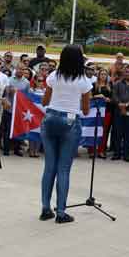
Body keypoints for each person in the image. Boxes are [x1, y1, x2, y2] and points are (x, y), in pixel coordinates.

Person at [38, 44, 92, 224]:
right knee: (63, 169)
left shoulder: (54, 76)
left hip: (51, 117)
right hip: (70, 122)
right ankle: (61, 212)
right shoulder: (84, 81)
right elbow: (85, 110)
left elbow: (45, 101)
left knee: (49, 167)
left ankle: (45, 209)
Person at [3, 63, 30, 157]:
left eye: (23, 69)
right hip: (9, 109)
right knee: (7, 129)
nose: (20, 71)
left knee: (18, 129)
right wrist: (10, 90)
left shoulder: (26, 82)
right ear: (16, 69)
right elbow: (5, 93)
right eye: (19, 69)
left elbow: (26, 97)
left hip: (19, 110)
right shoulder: (9, 80)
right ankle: (6, 149)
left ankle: (17, 149)